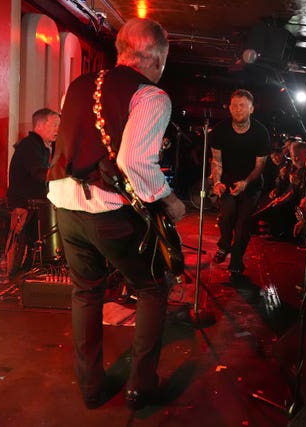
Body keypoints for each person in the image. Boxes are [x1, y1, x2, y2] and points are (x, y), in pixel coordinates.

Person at [47, 18, 186, 411]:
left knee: (86, 292)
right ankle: (140, 387)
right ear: (158, 57)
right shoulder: (151, 95)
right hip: (108, 210)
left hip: (65, 203)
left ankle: (91, 388)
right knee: (152, 287)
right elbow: (134, 162)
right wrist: (170, 201)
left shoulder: (76, 86)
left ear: (122, 50)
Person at [210, 89, 271, 276]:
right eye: (234, 106)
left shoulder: (261, 132)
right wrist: (217, 181)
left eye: (242, 106)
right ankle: (224, 244)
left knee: (243, 224)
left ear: (251, 109)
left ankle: (236, 258)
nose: (238, 109)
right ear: (229, 108)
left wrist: (245, 183)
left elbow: (260, 165)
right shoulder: (220, 130)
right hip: (227, 181)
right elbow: (216, 160)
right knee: (227, 212)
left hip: (251, 184)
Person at [4, 108, 60, 276]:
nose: (58, 129)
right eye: (55, 125)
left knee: (31, 251)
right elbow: (38, 173)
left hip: (33, 205)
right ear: (40, 125)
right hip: (24, 205)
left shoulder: (43, 146)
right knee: (21, 254)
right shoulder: (29, 145)